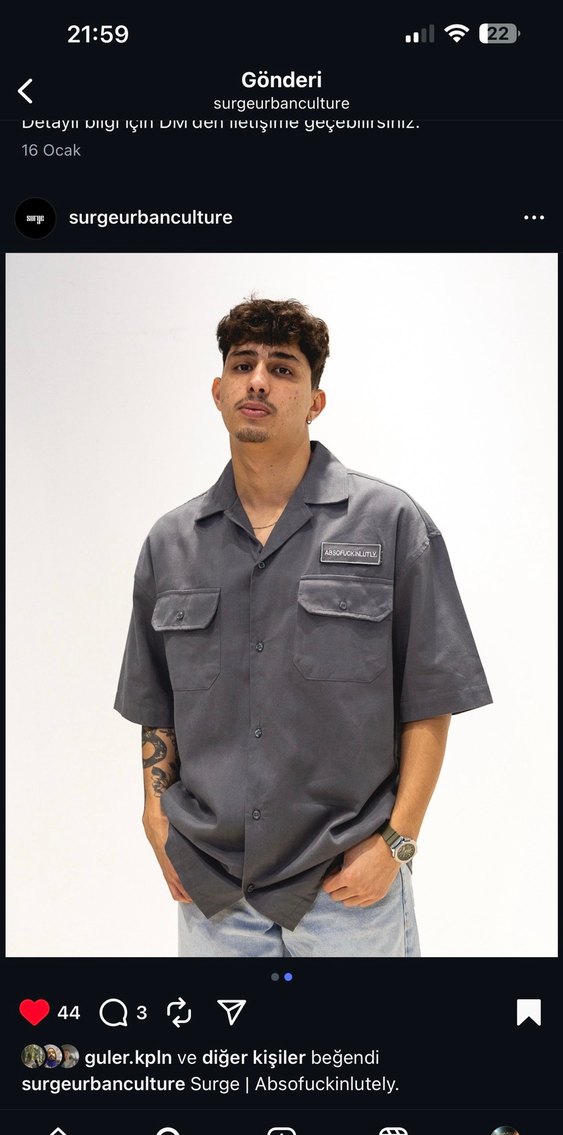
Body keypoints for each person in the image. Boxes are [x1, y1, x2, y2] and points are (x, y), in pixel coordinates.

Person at [114, 296, 492, 957]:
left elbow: (430, 698)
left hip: (348, 888)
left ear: (315, 401)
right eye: (242, 365)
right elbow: (156, 702)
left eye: (283, 368)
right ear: (218, 391)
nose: (258, 381)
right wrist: (155, 817)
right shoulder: (170, 543)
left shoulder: (391, 524)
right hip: (212, 890)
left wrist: (398, 842)